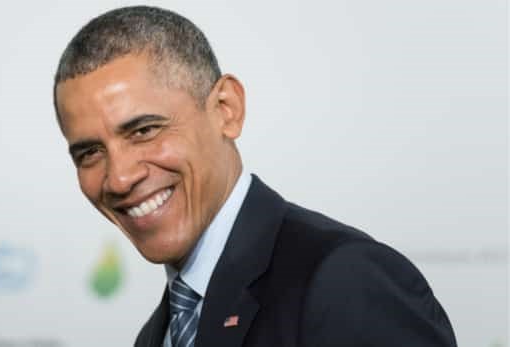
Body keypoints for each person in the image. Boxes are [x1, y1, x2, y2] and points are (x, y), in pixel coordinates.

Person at [53, 5, 457, 347]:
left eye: (144, 130)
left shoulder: (343, 279)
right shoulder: (156, 335)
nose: (119, 179)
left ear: (226, 109)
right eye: (90, 153)